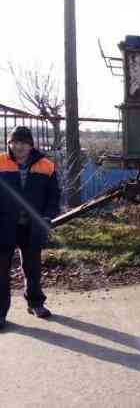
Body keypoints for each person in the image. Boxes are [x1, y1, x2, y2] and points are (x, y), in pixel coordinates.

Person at [0, 126, 61, 329]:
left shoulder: (47, 166)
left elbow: (54, 197)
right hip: (4, 225)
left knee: (32, 268)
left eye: (23, 143)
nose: (18, 146)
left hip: (32, 226)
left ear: (30, 145)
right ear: (9, 144)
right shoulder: (0, 162)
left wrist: (47, 217)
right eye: (14, 142)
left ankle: (35, 303)